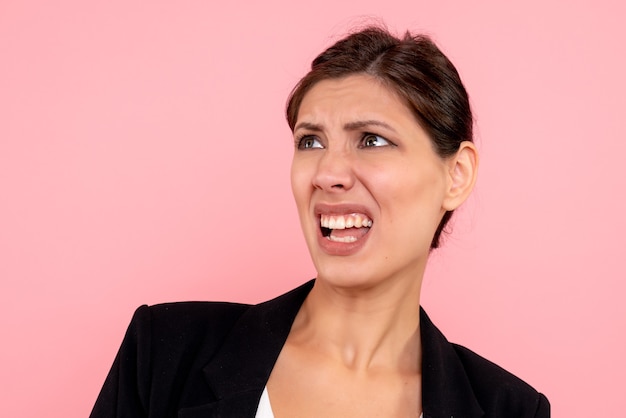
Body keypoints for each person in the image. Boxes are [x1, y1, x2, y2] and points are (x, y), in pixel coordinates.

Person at [91, 26, 550, 418]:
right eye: (310, 142)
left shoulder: (508, 408)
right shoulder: (164, 352)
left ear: (457, 174)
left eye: (371, 140)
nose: (327, 174)